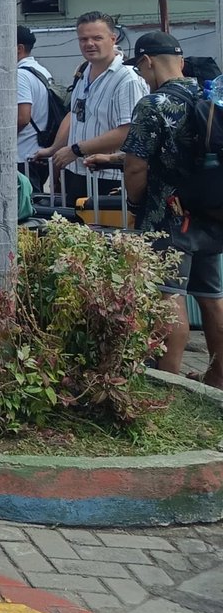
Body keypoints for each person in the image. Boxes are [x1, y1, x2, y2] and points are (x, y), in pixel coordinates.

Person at [85, 32, 223, 380]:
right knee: (211, 296)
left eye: (141, 68)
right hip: (210, 211)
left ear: (147, 61)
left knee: (168, 295)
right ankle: (218, 379)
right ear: (181, 61)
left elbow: (136, 166)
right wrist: (111, 158)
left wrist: (135, 204)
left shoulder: (154, 104)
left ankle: (170, 382)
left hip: (168, 216)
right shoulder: (207, 96)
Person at [36, 11, 148, 205]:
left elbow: (128, 131)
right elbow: (75, 114)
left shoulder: (127, 78)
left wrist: (76, 150)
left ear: (113, 39)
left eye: (97, 38)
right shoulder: (84, 71)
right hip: (76, 172)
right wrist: (55, 148)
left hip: (109, 177)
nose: (89, 44)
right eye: (83, 39)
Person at [16, 26, 53, 190]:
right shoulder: (42, 71)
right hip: (38, 151)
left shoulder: (20, 75)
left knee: (24, 202)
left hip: (22, 155)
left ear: (19, 48)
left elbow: (23, 117)